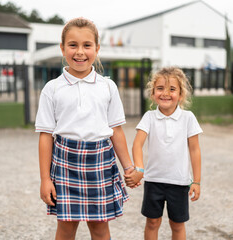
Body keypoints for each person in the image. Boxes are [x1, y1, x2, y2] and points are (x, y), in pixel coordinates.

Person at [35, 17, 134, 240]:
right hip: (65, 164)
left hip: (99, 162)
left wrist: (128, 167)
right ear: (62, 48)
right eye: (73, 45)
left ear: (97, 49)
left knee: (99, 228)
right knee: (66, 228)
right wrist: (45, 179)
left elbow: (116, 130)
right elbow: (45, 136)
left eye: (87, 45)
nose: (80, 52)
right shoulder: (52, 89)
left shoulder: (108, 86)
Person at [125, 67, 202, 240]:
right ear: (152, 93)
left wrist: (196, 181)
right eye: (160, 88)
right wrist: (139, 170)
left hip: (179, 182)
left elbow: (195, 150)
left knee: (177, 224)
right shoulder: (149, 117)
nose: (165, 93)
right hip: (154, 181)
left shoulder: (188, 118)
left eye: (172, 89)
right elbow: (137, 144)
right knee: (152, 222)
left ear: (181, 95)